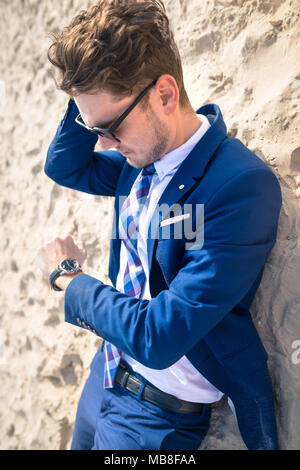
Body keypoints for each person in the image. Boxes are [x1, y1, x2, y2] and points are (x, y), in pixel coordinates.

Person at [37, 0, 282, 450]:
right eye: (96, 133)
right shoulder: (136, 158)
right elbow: (63, 167)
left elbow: (159, 336)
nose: (105, 145)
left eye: (110, 128)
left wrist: (68, 280)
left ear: (165, 95)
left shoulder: (241, 186)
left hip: (156, 416)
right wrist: (91, 103)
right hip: (106, 370)